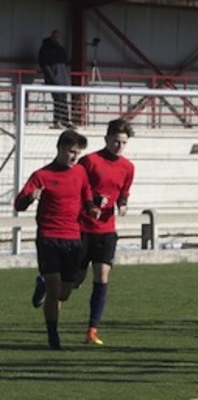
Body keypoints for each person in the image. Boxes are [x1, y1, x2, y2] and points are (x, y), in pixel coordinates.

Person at [15, 130, 99, 350]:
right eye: (71, 152)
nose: (74, 157)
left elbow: (86, 193)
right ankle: (53, 334)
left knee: (65, 291)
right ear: (60, 148)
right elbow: (18, 204)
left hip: (73, 238)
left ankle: (41, 284)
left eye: (78, 154)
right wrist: (29, 197)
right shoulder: (41, 175)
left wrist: (91, 208)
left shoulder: (80, 172)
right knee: (55, 289)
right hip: (49, 237)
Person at [69, 118, 135, 346]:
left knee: (102, 276)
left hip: (107, 230)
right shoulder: (89, 162)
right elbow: (76, 188)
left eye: (123, 143)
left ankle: (92, 329)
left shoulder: (128, 167)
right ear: (106, 139)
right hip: (83, 228)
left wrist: (123, 204)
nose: (119, 146)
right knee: (74, 281)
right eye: (116, 141)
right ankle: (45, 282)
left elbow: (123, 191)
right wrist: (93, 201)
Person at [38, 29, 72, 129]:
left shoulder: (60, 49)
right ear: (52, 36)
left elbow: (65, 63)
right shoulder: (45, 49)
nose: (57, 38)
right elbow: (44, 64)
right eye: (55, 36)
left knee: (64, 100)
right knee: (58, 100)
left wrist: (65, 77)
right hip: (54, 79)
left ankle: (65, 121)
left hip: (63, 79)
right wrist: (52, 77)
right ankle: (57, 121)